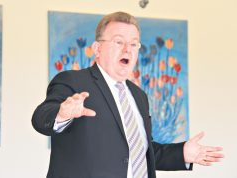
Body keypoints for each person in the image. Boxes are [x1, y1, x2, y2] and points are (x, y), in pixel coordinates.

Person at [32, 11, 223, 178]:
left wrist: (182, 153)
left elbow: (141, 151)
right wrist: (61, 114)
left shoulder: (139, 96)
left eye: (134, 44)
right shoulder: (72, 81)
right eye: (119, 42)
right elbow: (41, 118)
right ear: (97, 49)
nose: (127, 50)